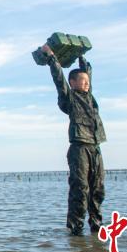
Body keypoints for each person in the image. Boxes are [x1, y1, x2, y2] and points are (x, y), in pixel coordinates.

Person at [42, 44, 106, 236]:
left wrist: (81, 57)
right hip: (79, 147)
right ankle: (75, 228)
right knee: (80, 188)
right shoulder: (69, 97)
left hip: (95, 147)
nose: (86, 83)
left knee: (98, 188)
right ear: (73, 82)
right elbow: (59, 79)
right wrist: (52, 57)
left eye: (87, 81)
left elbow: (88, 72)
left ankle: (96, 225)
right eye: (82, 81)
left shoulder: (90, 97)